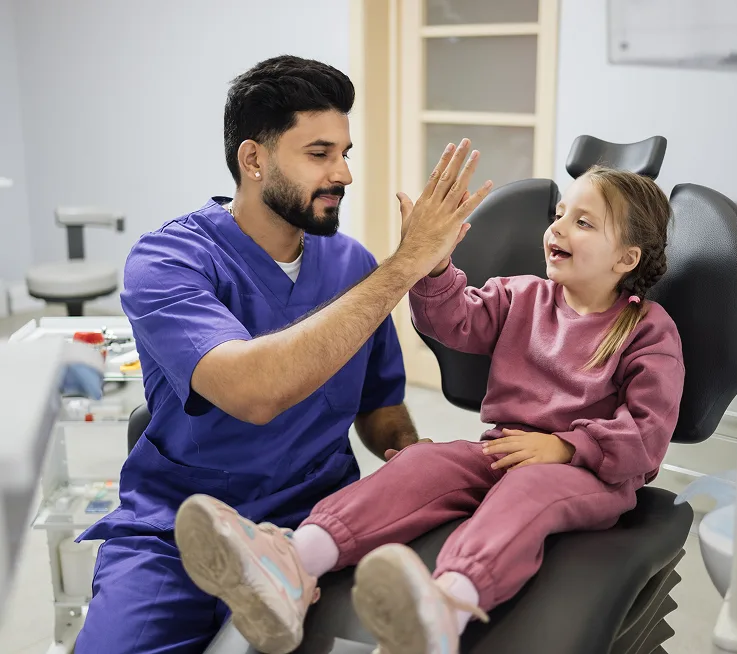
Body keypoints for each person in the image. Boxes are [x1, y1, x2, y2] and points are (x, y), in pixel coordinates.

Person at [174, 166, 686, 654]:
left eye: (583, 221)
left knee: (530, 488)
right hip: (503, 449)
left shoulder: (647, 331)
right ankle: (295, 565)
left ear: (627, 259)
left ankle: (446, 608)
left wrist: (564, 447)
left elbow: (647, 435)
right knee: (422, 461)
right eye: (559, 213)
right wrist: (436, 265)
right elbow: (454, 321)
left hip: (589, 473)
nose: (557, 227)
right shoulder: (523, 296)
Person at [74, 55, 491, 654]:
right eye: (320, 154)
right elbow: (254, 392)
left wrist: (415, 461)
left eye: (347, 153)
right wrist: (405, 267)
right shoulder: (167, 263)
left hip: (318, 521)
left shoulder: (351, 267)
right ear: (254, 159)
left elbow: (379, 404)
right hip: (181, 528)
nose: (344, 173)